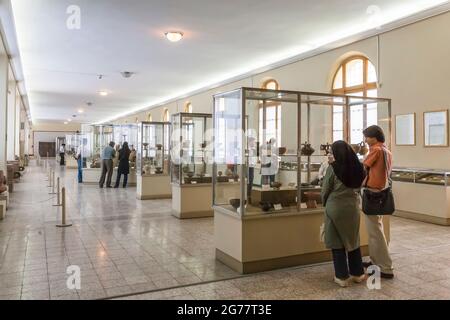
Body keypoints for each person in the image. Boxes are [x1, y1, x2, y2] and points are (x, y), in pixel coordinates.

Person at [321, 140, 367, 287]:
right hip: (353, 208)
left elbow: (325, 189)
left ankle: (341, 276)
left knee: (337, 242)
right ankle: (358, 273)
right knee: (353, 240)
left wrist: (324, 202)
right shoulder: (359, 168)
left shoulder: (333, 168)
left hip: (335, 207)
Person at [362, 125, 394, 279]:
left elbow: (363, 166)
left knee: (375, 232)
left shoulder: (375, 150)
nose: (365, 140)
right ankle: (375, 261)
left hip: (373, 192)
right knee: (376, 228)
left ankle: (385, 267)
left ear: (374, 137)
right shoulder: (386, 150)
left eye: (367, 137)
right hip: (380, 191)